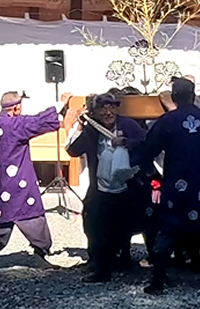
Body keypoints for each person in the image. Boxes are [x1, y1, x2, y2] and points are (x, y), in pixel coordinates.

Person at [133, 78, 200, 295]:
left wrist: (148, 169)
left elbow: (148, 149)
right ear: (194, 95)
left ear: (174, 97)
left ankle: (157, 282)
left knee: (168, 231)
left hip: (178, 185)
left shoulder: (167, 121)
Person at [0, 91, 68, 272]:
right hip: (18, 182)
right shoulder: (15, 124)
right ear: (16, 107)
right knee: (31, 214)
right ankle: (40, 255)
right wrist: (61, 104)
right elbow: (40, 121)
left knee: (0, 218)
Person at [65, 93, 146, 283]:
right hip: (100, 188)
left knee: (124, 226)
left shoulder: (128, 125)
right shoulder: (92, 129)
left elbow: (146, 144)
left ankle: (123, 259)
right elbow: (73, 150)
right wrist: (78, 126)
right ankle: (100, 267)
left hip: (126, 185)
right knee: (94, 225)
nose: (108, 112)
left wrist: (127, 142)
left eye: (111, 107)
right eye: (103, 108)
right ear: (95, 112)